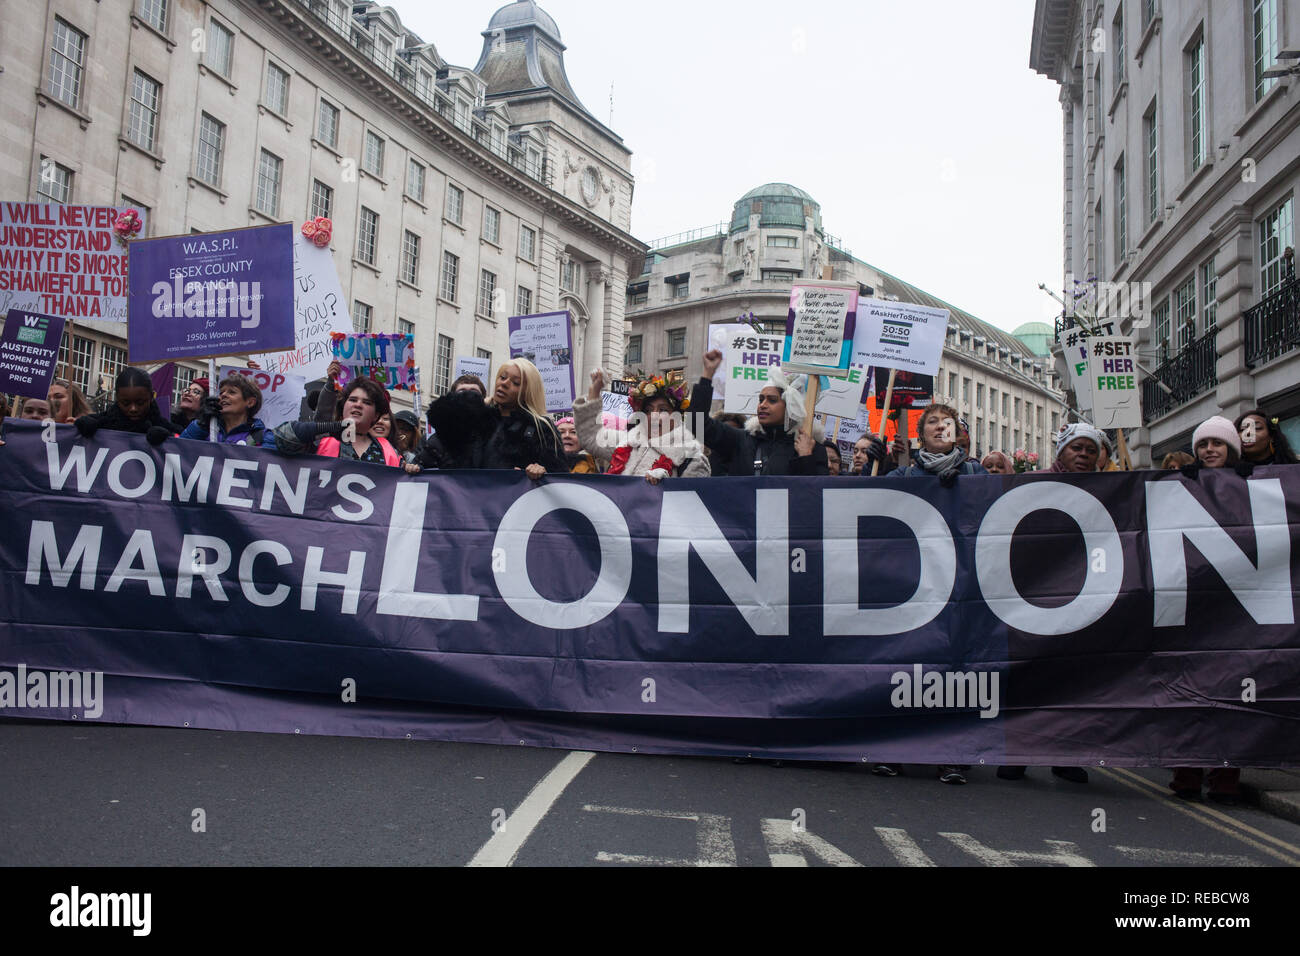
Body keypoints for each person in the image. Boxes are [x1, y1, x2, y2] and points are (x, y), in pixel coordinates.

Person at [1169, 415, 1247, 805]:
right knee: (1191, 698)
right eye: (1203, 445)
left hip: (1237, 613)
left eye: (1218, 444)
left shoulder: (1253, 486)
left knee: (1232, 700)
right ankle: (1187, 774)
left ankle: (1224, 779)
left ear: (1232, 449)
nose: (1210, 450)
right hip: (1193, 607)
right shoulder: (1184, 485)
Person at [692, 350, 828, 476]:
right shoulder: (740, 440)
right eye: (761, 399)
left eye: (772, 400)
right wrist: (707, 375)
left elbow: (813, 496)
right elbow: (695, 425)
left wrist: (805, 457)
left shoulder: (812, 448)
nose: (763, 405)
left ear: (791, 407)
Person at [423, 359, 565, 477]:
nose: (504, 383)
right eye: (502, 377)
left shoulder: (540, 428)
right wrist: (474, 403)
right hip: (467, 503)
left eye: (515, 383)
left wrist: (541, 472)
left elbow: (560, 476)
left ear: (527, 391)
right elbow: (436, 415)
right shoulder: (478, 417)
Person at [573, 369, 710, 483]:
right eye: (648, 410)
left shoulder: (691, 457)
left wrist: (667, 485)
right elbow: (590, 436)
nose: (654, 415)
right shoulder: (626, 442)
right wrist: (595, 390)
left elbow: (691, 506)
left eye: (662, 410)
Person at [272, 375, 419, 472]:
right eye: (353, 400)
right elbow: (282, 437)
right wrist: (333, 427)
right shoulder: (323, 441)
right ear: (343, 407)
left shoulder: (390, 452)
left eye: (366, 402)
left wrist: (409, 471)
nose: (358, 405)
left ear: (375, 415)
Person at [74, 367, 173, 445]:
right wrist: (79, 426)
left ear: (151, 397)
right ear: (117, 397)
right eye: (126, 403)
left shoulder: (166, 428)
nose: (133, 409)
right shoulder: (100, 423)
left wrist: (168, 439)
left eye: (140, 403)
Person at [892, 404, 988, 484]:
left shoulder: (976, 473)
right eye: (932, 421)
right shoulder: (903, 476)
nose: (941, 426)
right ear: (921, 434)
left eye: (948, 423)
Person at [179, 374, 272, 447]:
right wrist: (201, 424)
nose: (223, 395)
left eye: (232, 392)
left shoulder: (263, 438)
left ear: (250, 402)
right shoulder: (204, 429)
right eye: (221, 392)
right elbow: (178, 450)